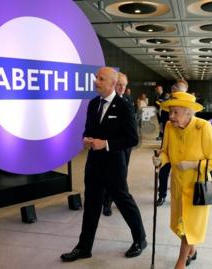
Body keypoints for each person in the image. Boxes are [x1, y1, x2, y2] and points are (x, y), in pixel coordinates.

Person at [61, 67, 147, 262]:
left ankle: (140, 240)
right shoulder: (93, 104)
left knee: (124, 203)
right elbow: (87, 130)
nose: (96, 81)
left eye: (101, 79)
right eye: (96, 78)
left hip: (114, 166)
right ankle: (84, 247)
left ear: (112, 84)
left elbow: (133, 139)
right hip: (93, 165)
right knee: (91, 205)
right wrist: (85, 139)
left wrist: (106, 144)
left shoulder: (124, 106)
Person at [152, 91, 212, 269]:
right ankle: (192, 250)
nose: (171, 116)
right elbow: (166, 151)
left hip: (196, 188)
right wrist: (161, 159)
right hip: (177, 185)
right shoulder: (169, 126)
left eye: (176, 112)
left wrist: (192, 164)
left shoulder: (203, 127)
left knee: (188, 227)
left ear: (189, 113)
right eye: (170, 111)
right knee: (180, 225)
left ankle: (180, 262)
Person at [102, 72, 133, 216]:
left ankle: (116, 200)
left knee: (121, 175)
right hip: (109, 147)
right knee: (110, 175)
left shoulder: (127, 100)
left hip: (125, 147)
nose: (121, 87)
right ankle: (107, 203)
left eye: (124, 85)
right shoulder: (106, 102)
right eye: (119, 84)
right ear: (114, 84)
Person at [156, 80, 189, 206]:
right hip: (169, 142)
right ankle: (162, 195)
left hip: (185, 146)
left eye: (180, 93)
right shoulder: (167, 106)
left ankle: (182, 196)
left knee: (182, 173)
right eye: (175, 93)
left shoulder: (190, 108)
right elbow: (165, 123)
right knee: (164, 171)